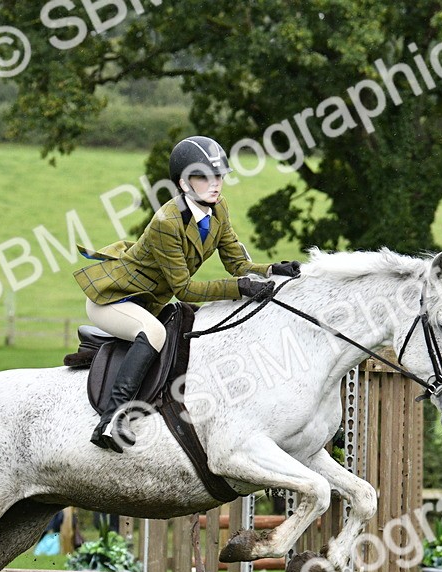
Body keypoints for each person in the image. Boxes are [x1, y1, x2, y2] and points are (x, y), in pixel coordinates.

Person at [73, 135, 300, 453]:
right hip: (115, 299)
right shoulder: (167, 222)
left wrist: (271, 270)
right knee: (152, 332)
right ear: (183, 182)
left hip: (149, 300)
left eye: (219, 176)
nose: (215, 184)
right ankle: (111, 419)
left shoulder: (218, 210)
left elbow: (238, 263)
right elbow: (184, 289)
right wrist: (240, 288)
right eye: (204, 177)